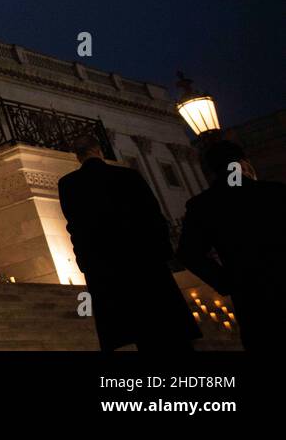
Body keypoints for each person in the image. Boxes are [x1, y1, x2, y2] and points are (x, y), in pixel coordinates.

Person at [57, 134, 199, 351]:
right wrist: (163, 254)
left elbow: (75, 227)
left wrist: (86, 264)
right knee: (168, 333)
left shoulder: (69, 184)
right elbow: (154, 217)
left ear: (77, 156)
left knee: (132, 331)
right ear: (99, 151)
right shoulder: (128, 176)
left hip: (105, 270)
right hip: (145, 263)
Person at [178, 137, 286, 351]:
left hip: (251, 298)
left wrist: (225, 281)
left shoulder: (203, 205)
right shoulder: (276, 192)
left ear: (211, 170)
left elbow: (188, 253)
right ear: (243, 163)